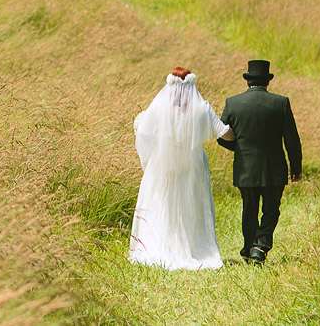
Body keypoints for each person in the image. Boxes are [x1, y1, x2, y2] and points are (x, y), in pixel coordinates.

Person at [129, 68, 235, 270]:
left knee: (162, 206)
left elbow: (142, 131)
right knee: (190, 208)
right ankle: (193, 248)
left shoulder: (159, 108)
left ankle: (160, 246)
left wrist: (150, 156)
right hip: (192, 169)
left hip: (162, 168)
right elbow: (225, 133)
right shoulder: (202, 109)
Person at [217, 60, 302, 265]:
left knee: (249, 209)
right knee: (271, 210)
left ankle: (249, 249)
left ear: (247, 81)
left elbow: (221, 136)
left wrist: (240, 148)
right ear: (267, 81)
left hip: (245, 168)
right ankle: (260, 246)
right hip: (274, 168)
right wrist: (296, 167)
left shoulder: (233, 103)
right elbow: (291, 139)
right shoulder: (281, 103)